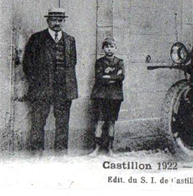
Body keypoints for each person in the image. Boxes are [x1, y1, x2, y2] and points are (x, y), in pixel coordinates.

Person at [23, 8, 78, 155]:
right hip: (42, 88)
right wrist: (36, 83)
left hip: (64, 88)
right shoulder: (37, 38)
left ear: (63, 21)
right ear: (48, 21)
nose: (57, 23)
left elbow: (72, 63)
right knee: (38, 122)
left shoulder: (70, 40)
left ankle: (61, 155)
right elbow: (27, 64)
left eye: (60, 20)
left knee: (62, 123)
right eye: (54, 19)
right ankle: (37, 154)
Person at [89, 37, 124, 157]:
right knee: (100, 122)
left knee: (111, 122)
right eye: (107, 46)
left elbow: (121, 76)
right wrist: (113, 75)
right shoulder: (99, 62)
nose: (109, 49)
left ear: (116, 48)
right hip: (101, 95)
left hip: (115, 96)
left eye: (112, 46)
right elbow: (99, 76)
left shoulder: (120, 62)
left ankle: (110, 149)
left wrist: (108, 76)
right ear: (103, 48)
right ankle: (96, 149)